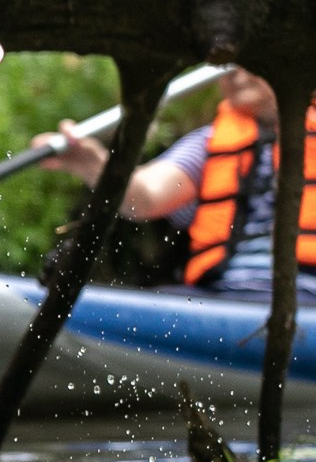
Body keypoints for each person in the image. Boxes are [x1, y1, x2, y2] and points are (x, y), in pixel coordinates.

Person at [38, 65, 316, 298]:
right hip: (222, 297)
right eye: (226, 66)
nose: (233, 73)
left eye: (247, 61)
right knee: (162, 298)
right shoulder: (208, 144)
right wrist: (92, 164)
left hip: (307, 298)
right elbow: (144, 198)